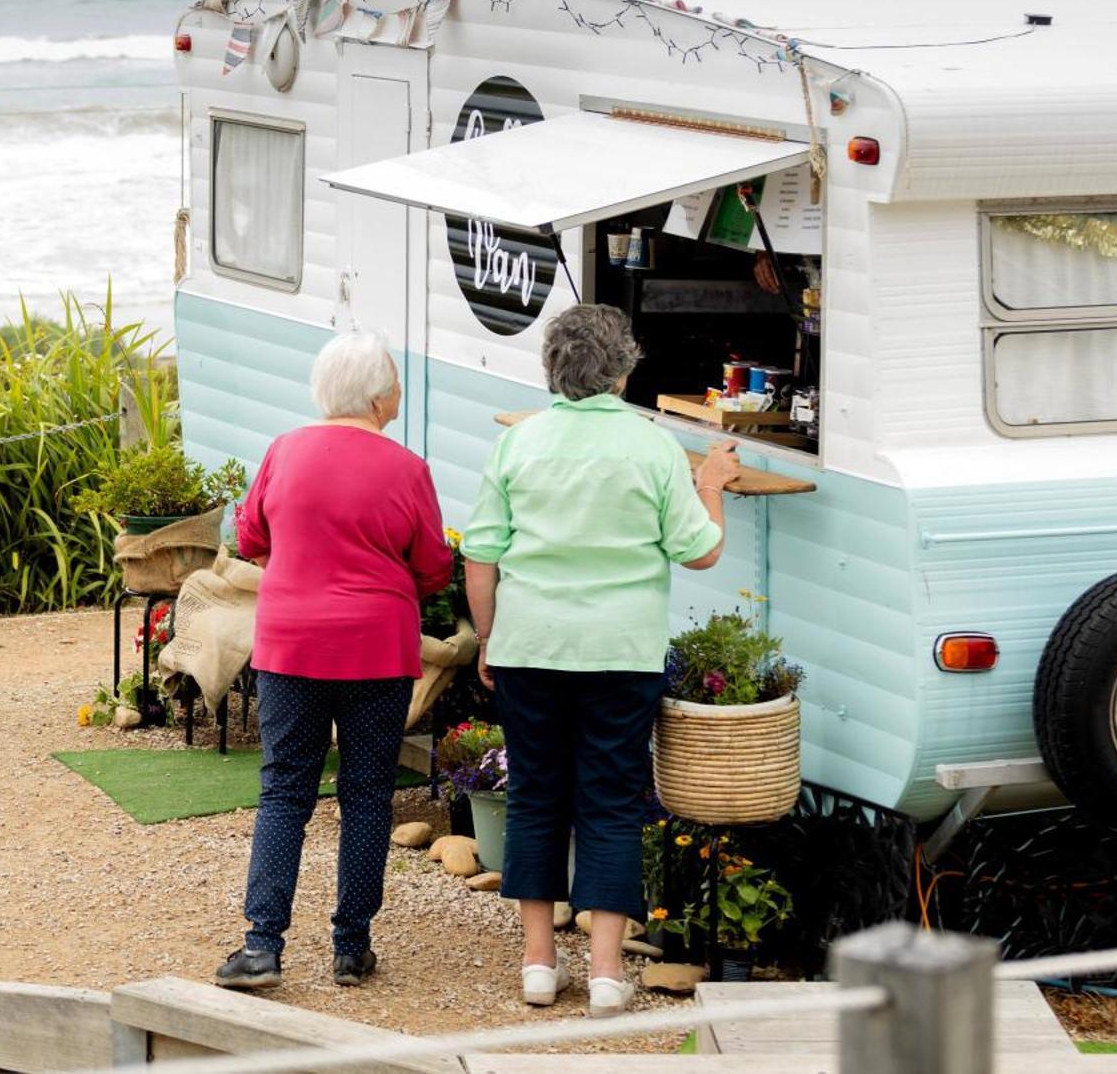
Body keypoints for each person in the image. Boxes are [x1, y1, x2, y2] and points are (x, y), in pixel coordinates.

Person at [461, 304, 740, 1016]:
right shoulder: (650, 447)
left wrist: (489, 637)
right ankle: (609, 972)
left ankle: (537, 964)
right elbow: (701, 548)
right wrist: (711, 479)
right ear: (622, 368)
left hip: (530, 646)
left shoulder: (519, 445)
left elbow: (482, 553)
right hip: (622, 651)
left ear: (554, 368)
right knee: (612, 801)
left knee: (535, 795)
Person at [214, 330, 453, 992]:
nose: (399, 391)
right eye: (397, 381)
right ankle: (351, 945)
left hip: (291, 644)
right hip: (377, 647)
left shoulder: (285, 451)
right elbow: (434, 565)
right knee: (368, 793)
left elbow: (250, 535)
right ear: (379, 397)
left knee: (284, 790)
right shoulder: (407, 469)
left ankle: (262, 944)